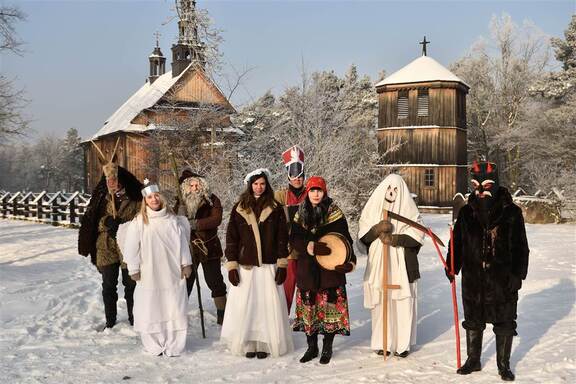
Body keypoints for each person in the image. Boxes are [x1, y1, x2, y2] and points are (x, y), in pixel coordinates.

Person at [446, 161, 529, 381]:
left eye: (486, 185)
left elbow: (521, 246)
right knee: (473, 319)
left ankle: (503, 364)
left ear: (496, 184)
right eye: (476, 185)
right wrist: (452, 266)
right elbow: (457, 243)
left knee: (504, 320)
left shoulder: (511, 213)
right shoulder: (466, 212)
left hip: (502, 279)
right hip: (473, 278)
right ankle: (473, 360)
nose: (481, 191)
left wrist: (517, 274)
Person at [220, 168, 293, 359]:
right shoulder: (239, 207)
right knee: (247, 306)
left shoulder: (275, 208)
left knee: (265, 307)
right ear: (249, 185)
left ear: (266, 185)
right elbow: (231, 238)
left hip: (268, 266)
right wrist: (232, 265)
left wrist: (282, 264)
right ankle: (249, 342)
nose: (259, 187)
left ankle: (263, 342)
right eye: (255, 184)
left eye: (262, 183)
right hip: (246, 266)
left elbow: (281, 238)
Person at [117, 180, 193, 356]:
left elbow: (182, 244)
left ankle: (174, 344)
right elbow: (131, 247)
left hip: (172, 272)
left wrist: (185, 263)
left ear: (161, 197)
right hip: (149, 273)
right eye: (150, 197)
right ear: (145, 200)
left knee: (173, 305)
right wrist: (134, 268)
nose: (154, 199)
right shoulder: (139, 222)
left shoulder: (173, 221)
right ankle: (154, 344)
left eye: (156, 196)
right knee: (151, 307)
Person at [290, 176, 356, 364]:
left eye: (319, 190)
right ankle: (312, 347)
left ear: (324, 191)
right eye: (312, 190)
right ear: (307, 192)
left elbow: (347, 241)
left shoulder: (335, 213)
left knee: (330, 310)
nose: (316, 194)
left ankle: (327, 348)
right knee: (309, 311)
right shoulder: (300, 214)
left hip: (330, 270)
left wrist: (349, 262)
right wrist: (309, 246)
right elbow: (293, 239)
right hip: (307, 270)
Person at [358, 173, 424, 358]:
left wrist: (395, 239)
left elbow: (418, 236)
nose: (392, 193)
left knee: (402, 303)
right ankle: (382, 342)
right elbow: (363, 238)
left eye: (396, 190)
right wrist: (377, 229)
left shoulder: (409, 211)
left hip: (402, 265)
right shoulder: (372, 209)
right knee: (381, 303)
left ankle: (402, 344)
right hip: (380, 265)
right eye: (388, 188)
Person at [78, 157, 142, 329]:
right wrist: (106, 222)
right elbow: (92, 221)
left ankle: (134, 318)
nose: (112, 183)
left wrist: (123, 225)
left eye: (114, 179)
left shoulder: (135, 198)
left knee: (131, 284)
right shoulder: (101, 198)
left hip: (128, 247)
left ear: (121, 180)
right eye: (109, 180)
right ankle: (110, 321)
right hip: (105, 246)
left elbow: (141, 220)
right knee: (108, 285)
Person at [175, 168, 227, 325]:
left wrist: (196, 224)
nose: (195, 188)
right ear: (186, 187)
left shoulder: (212, 200)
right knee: (186, 281)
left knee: (215, 281)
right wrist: (180, 216)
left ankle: (223, 314)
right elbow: (173, 220)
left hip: (209, 246)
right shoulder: (181, 201)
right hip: (188, 248)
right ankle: (179, 315)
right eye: (191, 185)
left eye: (197, 185)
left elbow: (216, 219)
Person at [274, 145, 307, 313]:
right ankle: (282, 320)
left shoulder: (311, 193)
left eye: (300, 174)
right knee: (286, 288)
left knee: (307, 289)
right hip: (288, 251)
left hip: (307, 250)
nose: (297, 178)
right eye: (293, 174)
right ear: (288, 174)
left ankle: (306, 320)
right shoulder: (280, 195)